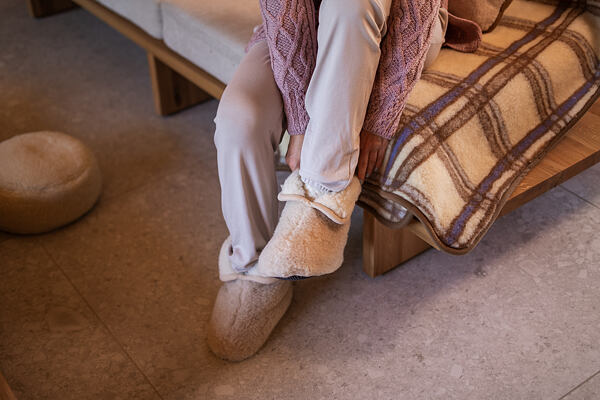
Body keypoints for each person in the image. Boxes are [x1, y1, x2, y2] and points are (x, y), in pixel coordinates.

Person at [208, 0, 450, 362]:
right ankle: (253, 268)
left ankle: (321, 193)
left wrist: (379, 119)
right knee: (239, 118)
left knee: (349, 5)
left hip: (403, 20)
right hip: (311, 20)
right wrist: (299, 120)